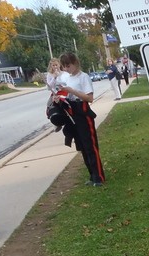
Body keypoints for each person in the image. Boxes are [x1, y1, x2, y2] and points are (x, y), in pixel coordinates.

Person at [56, 52, 105, 186]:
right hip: (73, 114)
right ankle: (92, 175)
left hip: (83, 113)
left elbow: (89, 98)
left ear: (75, 63)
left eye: (68, 65)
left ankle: (99, 176)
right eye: (64, 66)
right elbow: (68, 95)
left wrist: (72, 91)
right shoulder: (68, 78)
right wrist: (60, 96)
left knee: (90, 146)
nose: (66, 69)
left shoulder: (83, 77)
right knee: (82, 147)